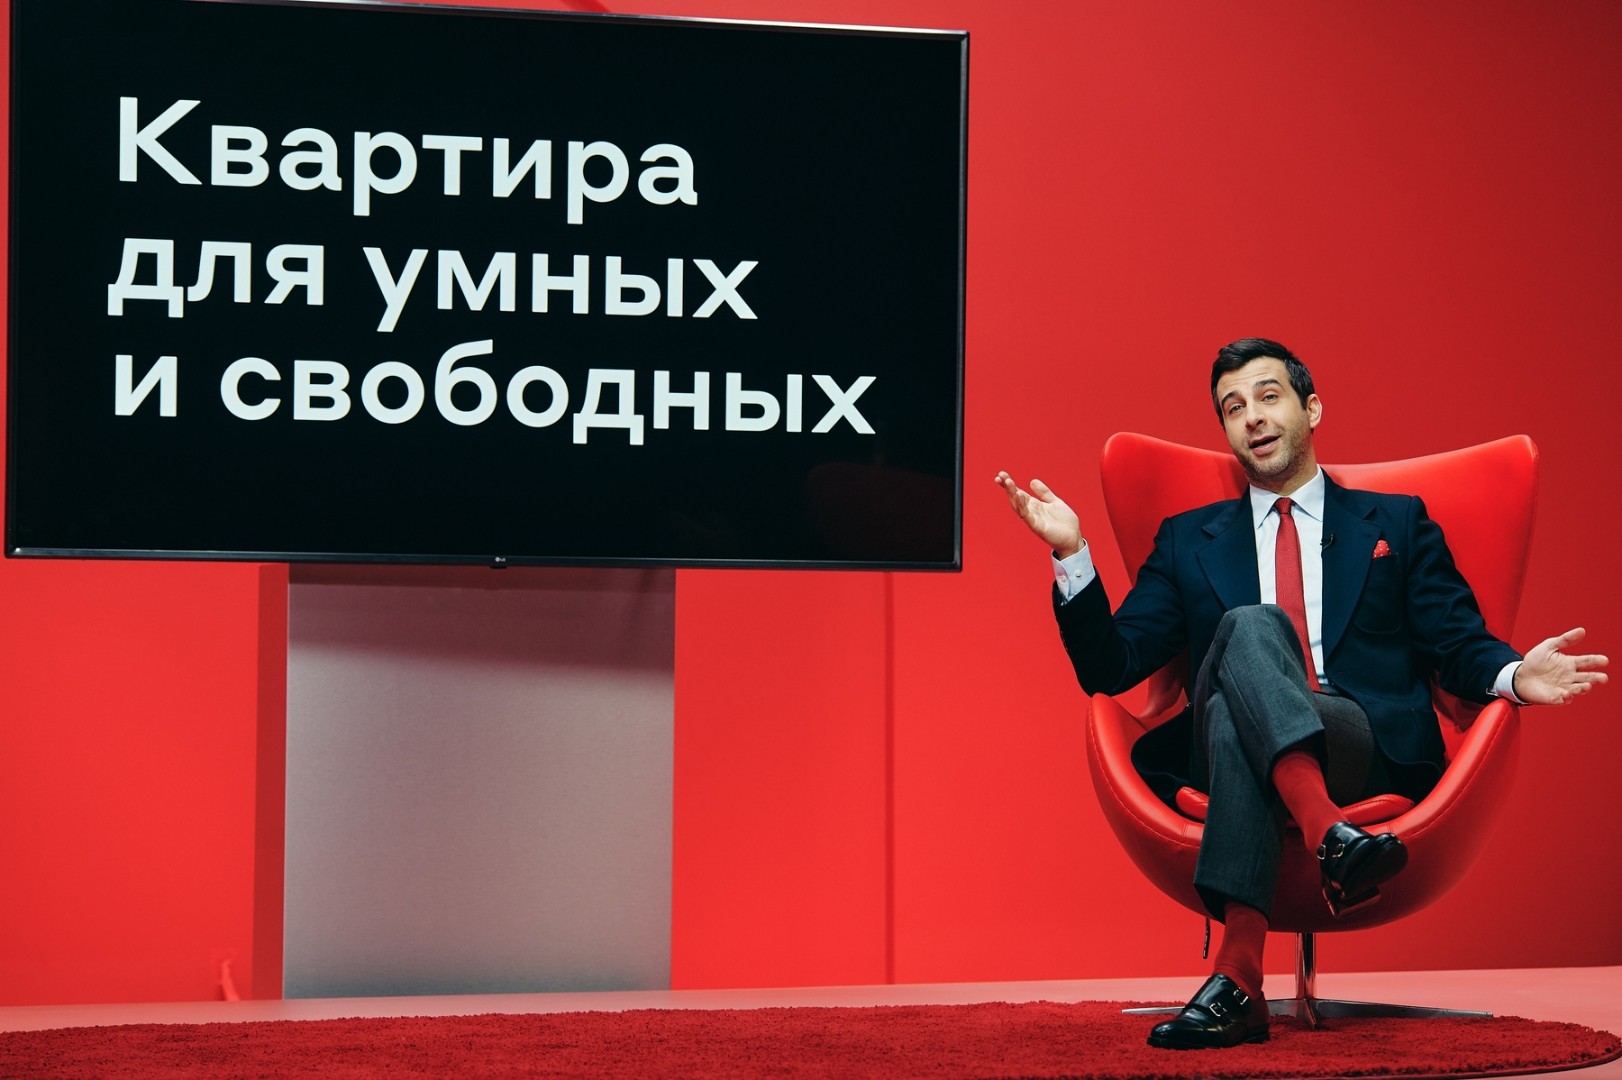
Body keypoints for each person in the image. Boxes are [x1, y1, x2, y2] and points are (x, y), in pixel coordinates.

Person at [995, 337, 1607, 1051]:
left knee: (1236, 701)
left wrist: (1514, 676)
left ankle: (1236, 980)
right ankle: (1330, 838)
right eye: (1232, 408)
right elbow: (1111, 666)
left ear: (1311, 408)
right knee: (1250, 631)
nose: (1251, 416)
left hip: (1358, 740)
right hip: (1232, 754)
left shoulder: (1396, 523)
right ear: (1226, 432)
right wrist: (1071, 554)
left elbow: (1456, 640)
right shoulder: (1189, 540)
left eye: (1268, 396)